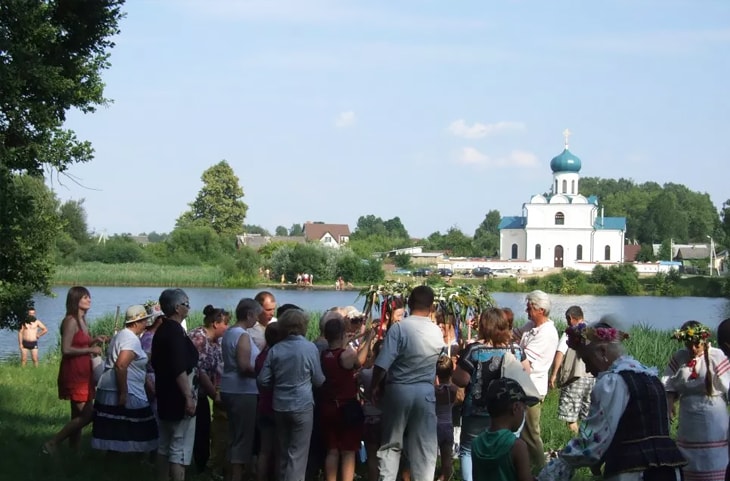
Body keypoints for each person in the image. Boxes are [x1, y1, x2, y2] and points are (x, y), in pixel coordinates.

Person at [538, 317, 686, 481]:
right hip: (669, 469)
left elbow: (593, 441)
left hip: (633, 471)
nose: (588, 368)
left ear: (602, 352)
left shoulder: (613, 382)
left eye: (587, 360)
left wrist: (558, 466)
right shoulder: (651, 377)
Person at [370, 285, 445, 481]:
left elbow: (382, 363)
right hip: (425, 391)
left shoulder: (399, 328)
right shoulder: (436, 331)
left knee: (391, 445)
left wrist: (374, 386)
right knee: (424, 446)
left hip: (399, 389)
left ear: (410, 303)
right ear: (431, 306)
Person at [453, 307, 528, 481]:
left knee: (468, 450)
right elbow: (526, 373)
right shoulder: (516, 350)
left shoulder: (474, 350)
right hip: (510, 412)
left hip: (477, 412)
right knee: (509, 449)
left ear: (483, 326)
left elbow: (461, 380)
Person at [257, 308, 325, 481]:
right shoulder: (309, 348)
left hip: (280, 405)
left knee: (283, 450)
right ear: (303, 325)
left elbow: (262, 380)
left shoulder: (276, 349)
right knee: (298, 454)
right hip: (302, 405)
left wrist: (278, 384)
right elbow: (318, 380)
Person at [44, 286, 108, 454]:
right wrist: (90, 350)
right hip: (74, 373)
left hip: (83, 371)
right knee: (87, 415)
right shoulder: (70, 320)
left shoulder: (82, 321)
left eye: (89, 297)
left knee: (77, 416)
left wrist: (94, 340)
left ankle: (73, 453)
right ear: (75, 300)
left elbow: (79, 343)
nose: (89, 300)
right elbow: (66, 349)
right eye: (85, 297)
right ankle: (52, 443)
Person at [664, 321, 730, 481]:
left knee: (712, 455)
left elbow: (728, 383)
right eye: (688, 345)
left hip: (712, 413)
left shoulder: (716, 355)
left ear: (704, 340)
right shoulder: (680, 356)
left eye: (696, 345)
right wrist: (669, 404)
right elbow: (668, 383)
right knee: (690, 455)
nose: (692, 349)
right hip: (689, 414)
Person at [91, 304, 159, 453]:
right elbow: (121, 365)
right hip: (126, 390)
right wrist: (123, 392)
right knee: (143, 426)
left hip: (110, 387)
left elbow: (133, 359)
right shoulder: (131, 339)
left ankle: (117, 459)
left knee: (117, 426)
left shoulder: (122, 335)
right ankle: (138, 460)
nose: (146, 324)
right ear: (135, 323)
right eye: (143, 321)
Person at [151, 288, 199, 481]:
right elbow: (179, 367)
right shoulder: (175, 332)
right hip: (178, 395)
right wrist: (188, 397)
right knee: (179, 445)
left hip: (164, 392)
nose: (188, 308)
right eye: (186, 305)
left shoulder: (162, 329)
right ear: (177, 308)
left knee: (164, 442)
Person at [320, 317, 374, 481]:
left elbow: (338, 355)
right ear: (342, 334)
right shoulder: (346, 354)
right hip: (346, 407)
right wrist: (369, 339)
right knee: (349, 450)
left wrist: (347, 340)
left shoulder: (324, 354)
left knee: (332, 449)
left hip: (328, 405)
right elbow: (360, 363)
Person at [513, 290, 559, 469]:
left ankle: (541, 469)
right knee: (523, 434)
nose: (526, 311)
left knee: (531, 434)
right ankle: (526, 468)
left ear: (540, 309)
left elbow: (525, 361)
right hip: (523, 386)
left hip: (533, 389)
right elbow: (513, 335)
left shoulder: (546, 333)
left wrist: (511, 349)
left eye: (529, 308)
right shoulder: (532, 326)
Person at [220, 299, 262, 481]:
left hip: (229, 387)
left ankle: (229, 473)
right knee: (243, 437)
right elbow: (244, 366)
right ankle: (237, 476)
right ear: (249, 314)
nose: (257, 320)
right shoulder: (242, 335)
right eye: (256, 315)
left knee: (234, 434)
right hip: (243, 390)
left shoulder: (229, 332)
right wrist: (263, 375)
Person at [471, 377, 538, 481]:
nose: (524, 413)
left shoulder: (476, 444)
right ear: (515, 408)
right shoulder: (517, 446)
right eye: (524, 408)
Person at [189, 305, 229, 473]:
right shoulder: (199, 338)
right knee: (198, 431)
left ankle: (203, 466)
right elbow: (199, 371)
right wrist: (216, 395)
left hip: (205, 394)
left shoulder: (217, 341)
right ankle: (197, 468)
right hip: (193, 393)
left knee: (205, 431)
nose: (227, 328)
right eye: (226, 324)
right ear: (215, 323)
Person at [548, 306, 594, 433]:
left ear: (570, 318)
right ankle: (587, 443)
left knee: (571, 418)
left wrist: (553, 375)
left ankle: (574, 444)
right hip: (592, 379)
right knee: (587, 416)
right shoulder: (592, 332)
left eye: (567, 319)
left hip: (574, 378)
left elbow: (560, 353)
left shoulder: (570, 332)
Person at [255, 322, 283, 481]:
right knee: (279, 450)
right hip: (276, 406)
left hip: (263, 404)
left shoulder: (261, 356)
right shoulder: (278, 356)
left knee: (264, 450)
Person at [358, 340, 384, 481]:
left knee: (372, 456)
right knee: (387, 456)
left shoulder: (366, 374)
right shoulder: (392, 375)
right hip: (387, 419)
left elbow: (356, 379)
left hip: (370, 418)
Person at [435, 355, 458, 481]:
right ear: (451, 372)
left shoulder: (434, 391)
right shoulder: (453, 390)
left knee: (431, 459)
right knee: (446, 460)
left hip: (435, 426)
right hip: (448, 426)